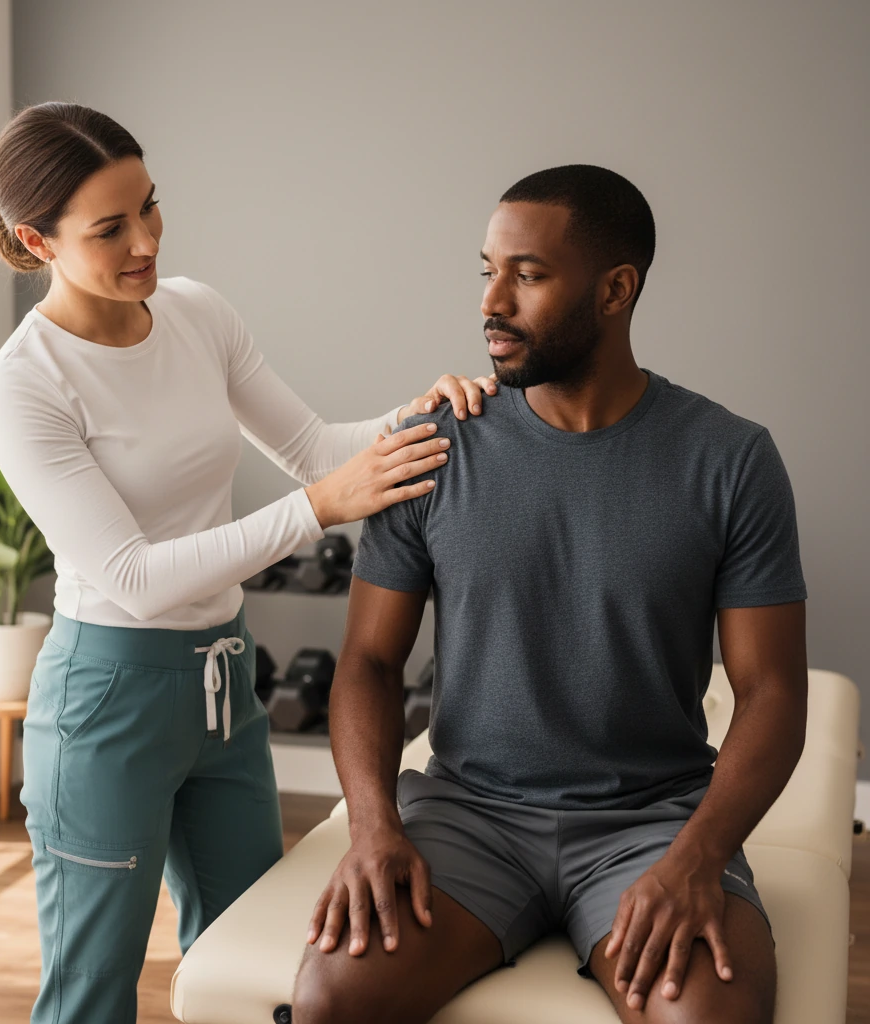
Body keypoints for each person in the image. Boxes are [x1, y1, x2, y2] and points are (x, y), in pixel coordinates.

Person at [0, 102, 497, 1024]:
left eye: (150, 206)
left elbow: (312, 445)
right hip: (108, 702)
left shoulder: (194, 312)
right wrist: (317, 511)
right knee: (93, 993)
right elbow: (132, 575)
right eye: (110, 228)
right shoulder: (23, 383)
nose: (145, 241)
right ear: (35, 239)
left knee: (249, 968)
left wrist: (423, 412)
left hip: (222, 686)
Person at [291, 164, 807, 1024]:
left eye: (526, 276)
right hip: (467, 815)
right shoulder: (432, 448)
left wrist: (696, 858)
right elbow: (370, 662)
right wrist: (374, 829)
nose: (492, 301)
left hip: (653, 822)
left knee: (707, 1015)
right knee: (330, 998)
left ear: (616, 289)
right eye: (487, 270)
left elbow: (773, 693)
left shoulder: (731, 459)